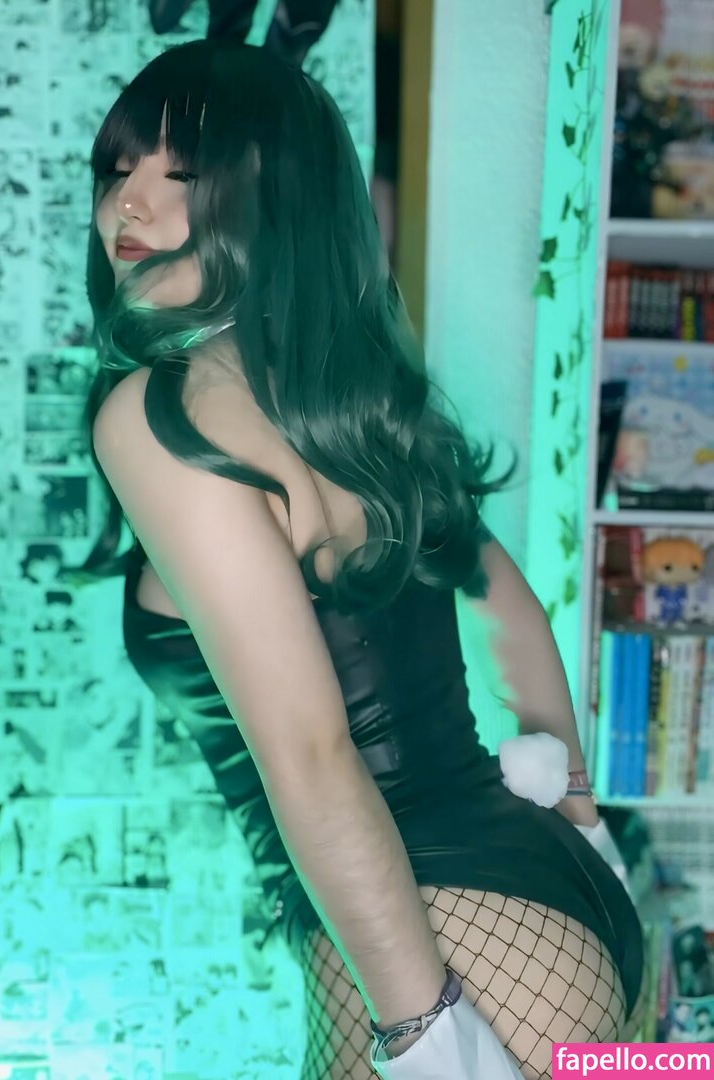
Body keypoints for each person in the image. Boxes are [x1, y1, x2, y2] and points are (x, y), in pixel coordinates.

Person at [75, 40, 644, 1080]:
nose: (130, 205)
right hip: (561, 917)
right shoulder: (354, 401)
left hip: (436, 955)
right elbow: (505, 602)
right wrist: (579, 818)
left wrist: (426, 1040)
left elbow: (312, 752)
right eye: (119, 170)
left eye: (182, 176)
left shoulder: (161, 417)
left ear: (275, 201)